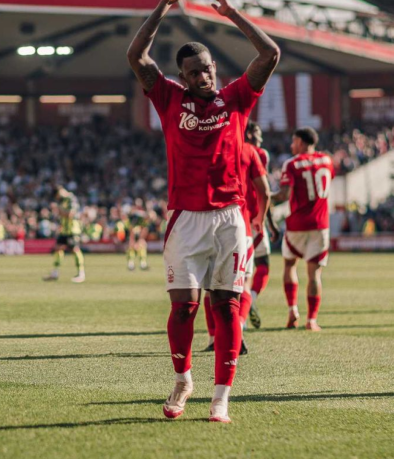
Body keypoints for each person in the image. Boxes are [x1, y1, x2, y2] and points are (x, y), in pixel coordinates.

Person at [127, 0, 279, 423]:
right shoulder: (168, 98)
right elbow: (136, 56)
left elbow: (270, 53)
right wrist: (163, 6)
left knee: (226, 307)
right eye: (193, 72)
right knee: (183, 308)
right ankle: (183, 381)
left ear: (215, 68)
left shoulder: (237, 98)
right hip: (185, 219)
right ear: (183, 77)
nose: (203, 76)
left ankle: (221, 398)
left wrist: (230, 14)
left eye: (207, 69)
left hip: (230, 217)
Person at [202, 121, 271, 354]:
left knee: (210, 286)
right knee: (243, 283)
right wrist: (262, 218)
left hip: (210, 224)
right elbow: (265, 191)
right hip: (242, 225)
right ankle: (238, 328)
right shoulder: (251, 151)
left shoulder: (208, 146)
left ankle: (213, 338)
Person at [272, 128, 334, 331]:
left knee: (290, 265)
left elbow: (284, 194)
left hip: (297, 224)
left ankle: (292, 310)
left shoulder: (291, 164)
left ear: (300, 142)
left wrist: (265, 195)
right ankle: (312, 320)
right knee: (314, 274)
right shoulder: (327, 160)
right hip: (320, 224)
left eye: (294, 141)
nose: (292, 146)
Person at [244, 121, 279, 329]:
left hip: (232, 215)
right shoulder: (258, 154)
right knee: (261, 264)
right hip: (253, 217)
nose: (261, 138)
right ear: (249, 133)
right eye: (258, 133)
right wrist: (270, 223)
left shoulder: (228, 148)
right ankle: (250, 301)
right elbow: (263, 191)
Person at [43, 187, 86, 283]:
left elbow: (70, 214)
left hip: (73, 229)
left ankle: (81, 273)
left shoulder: (71, 199)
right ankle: (55, 273)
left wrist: (58, 209)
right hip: (64, 230)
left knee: (75, 249)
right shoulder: (62, 201)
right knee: (58, 249)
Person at [126, 200, 150, 271]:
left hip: (139, 235)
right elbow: (131, 230)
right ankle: (131, 263)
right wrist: (133, 240)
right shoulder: (132, 217)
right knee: (131, 246)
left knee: (142, 245)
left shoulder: (142, 218)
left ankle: (143, 263)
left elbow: (144, 229)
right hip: (133, 235)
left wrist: (139, 240)